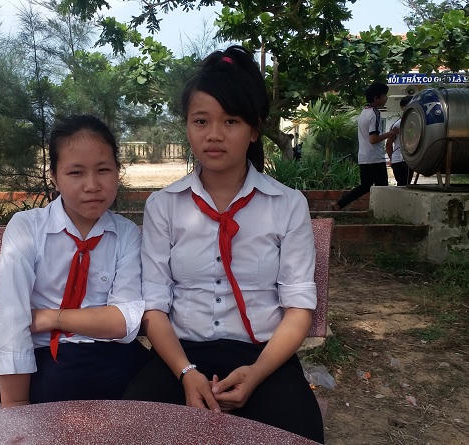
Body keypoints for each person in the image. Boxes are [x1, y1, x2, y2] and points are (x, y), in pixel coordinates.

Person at [124, 46, 324, 443]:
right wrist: (186, 372)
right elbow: (154, 307)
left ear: (254, 129)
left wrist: (258, 373)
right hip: (179, 357)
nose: (214, 134)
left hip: (264, 358)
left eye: (230, 121)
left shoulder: (287, 205)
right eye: (201, 121)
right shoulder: (164, 206)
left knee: (300, 434)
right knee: (129, 431)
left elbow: (299, 308)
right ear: (187, 126)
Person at [0, 115, 148, 407]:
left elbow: (123, 321)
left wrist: (51, 317)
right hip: (49, 358)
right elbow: (14, 324)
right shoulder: (27, 228)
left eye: (103, 170)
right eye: (76, 172)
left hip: (113, 356)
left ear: (117, 171)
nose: (92, 185)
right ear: (54, 176)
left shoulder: (126, 233)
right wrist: (15, 408)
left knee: (163, 397)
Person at [333, 82, 399, 210]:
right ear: (376, 98)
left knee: (365, 186)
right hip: (375, 157)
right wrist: (390, 133)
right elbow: (373, 139)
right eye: (384, 96)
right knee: (382, 188)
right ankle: (381, 212)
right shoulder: (375, 113)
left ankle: (339, 204)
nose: (386, 98)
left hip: (364, 157)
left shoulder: (364, 112)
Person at [386, 96, 414, 186]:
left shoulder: (414, 122)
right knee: (403, 185)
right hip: (400, 160)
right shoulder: (398, 124)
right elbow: (388, 144)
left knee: (405, 185)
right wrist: (392, 159)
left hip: (406, 160)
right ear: (403, 107)